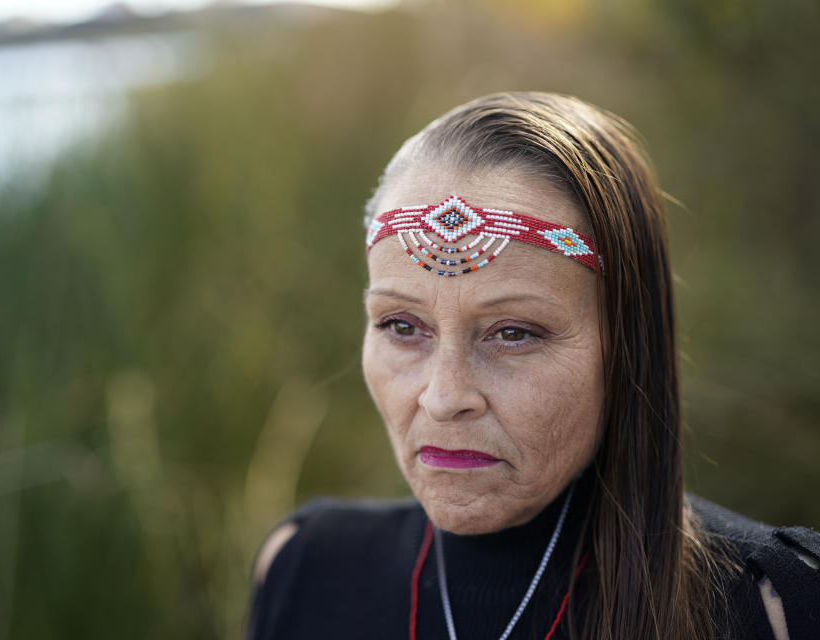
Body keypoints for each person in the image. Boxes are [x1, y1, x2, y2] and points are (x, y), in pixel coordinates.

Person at [247, 92, 820, 640]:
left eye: (514, 333)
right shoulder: (303, 571)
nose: (444, 398)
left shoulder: (775, 610)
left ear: (626, 344)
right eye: (402, 326)